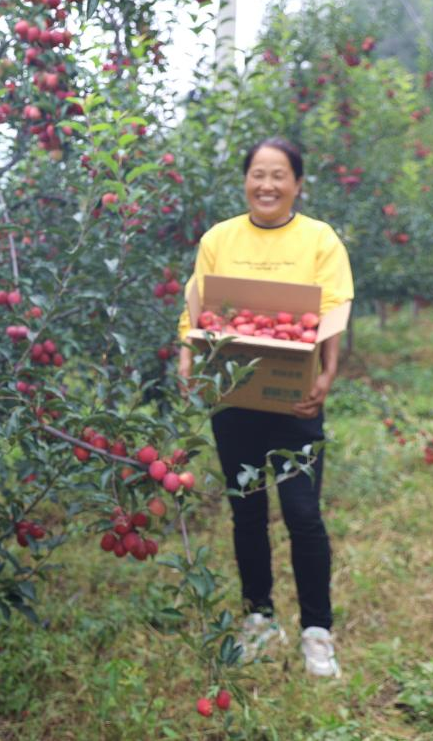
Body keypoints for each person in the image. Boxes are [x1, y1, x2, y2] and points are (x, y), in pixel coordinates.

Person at [177, 137, 353, 678]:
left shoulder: (319, 240)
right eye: (258, 173)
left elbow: (331, 310)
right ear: (246, 180)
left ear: (298, 183)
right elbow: (198, 308)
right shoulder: (219, 239)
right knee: (246, 513)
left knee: (303, 513)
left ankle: (316, 631)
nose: (267, 185)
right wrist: (187, 361)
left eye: (279, 175)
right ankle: (259, 618)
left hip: (294, 399)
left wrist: (325, 375)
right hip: (234, 399)